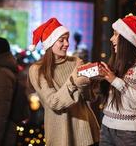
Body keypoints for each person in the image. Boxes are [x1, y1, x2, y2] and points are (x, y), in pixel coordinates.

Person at [28, 18, 100, 146]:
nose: (66, 44)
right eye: (61, 40)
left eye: (67, 39)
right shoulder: (37, 70)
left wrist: (90, 81)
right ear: (50, 43)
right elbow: (54, 102)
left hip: (85, 131)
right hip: (59, 135)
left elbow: (89, 98)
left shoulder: (76, 61)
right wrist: (74, 80)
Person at [99, 16, 136, 146]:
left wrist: (115, 80)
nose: (111, 39)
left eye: (115, 35)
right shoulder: (116, 61)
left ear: (127, 39)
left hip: (130, 134)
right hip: (106, 127)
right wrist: (98, 78)